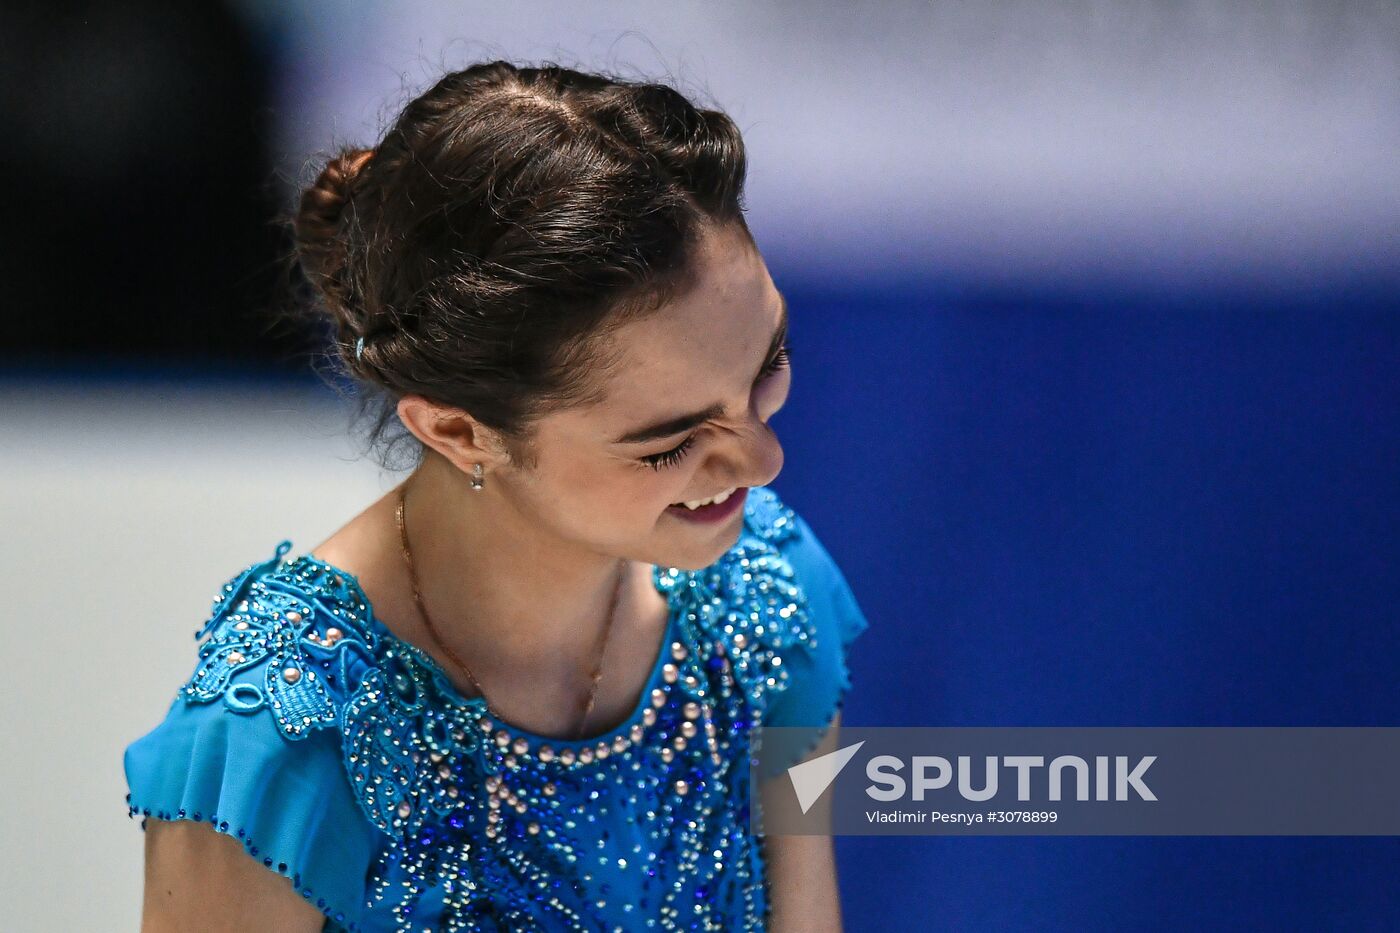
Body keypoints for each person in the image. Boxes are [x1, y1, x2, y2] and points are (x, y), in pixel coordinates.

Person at [122, 59, 870, 932]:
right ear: (456, 430)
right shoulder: (282, 727)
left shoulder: (769, 596)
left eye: (766, 369)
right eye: (671, 442)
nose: (763, 459)